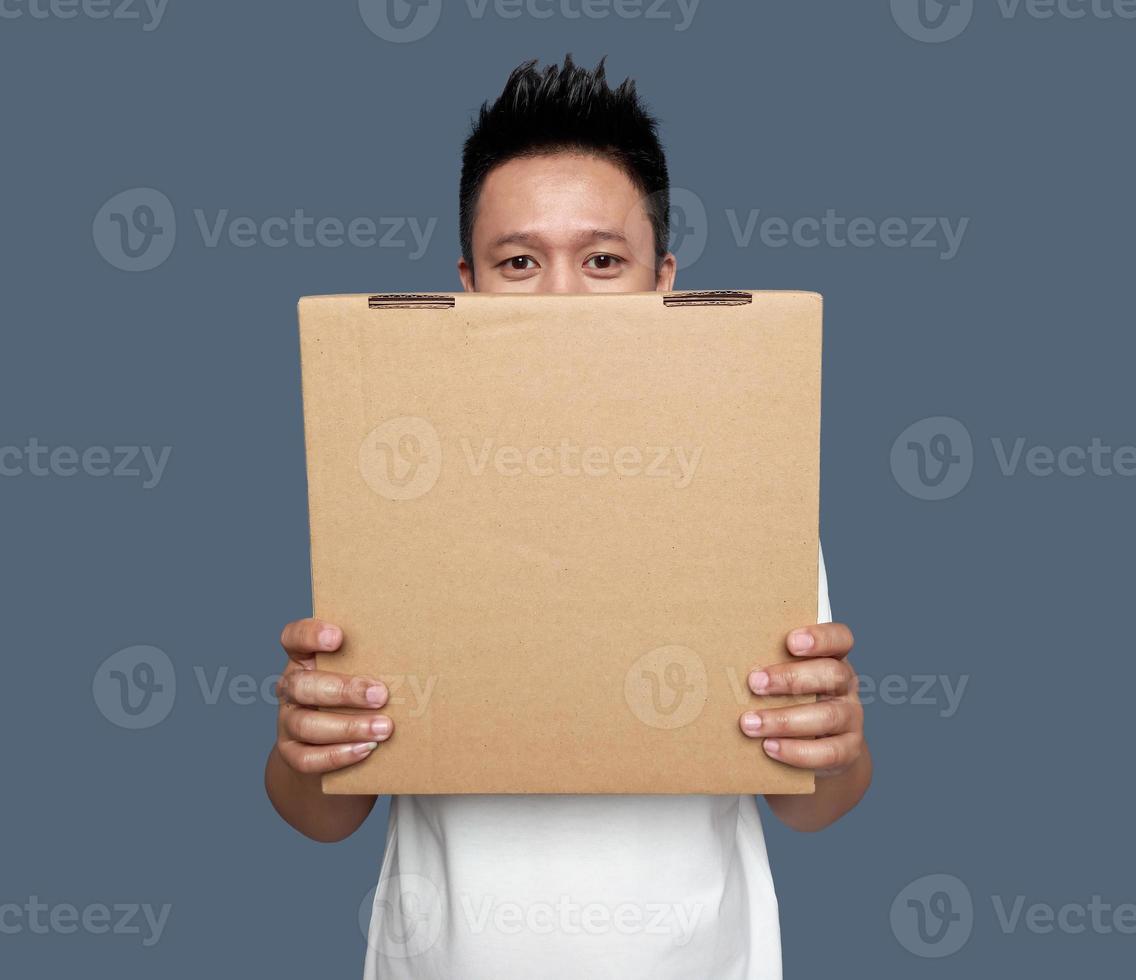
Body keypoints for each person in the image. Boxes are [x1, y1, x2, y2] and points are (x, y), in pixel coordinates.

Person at [265, 55, 870, 980]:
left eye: (600, 260)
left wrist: (836, 740)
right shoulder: (386, 488)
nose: (559, 298)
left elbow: (811, 802)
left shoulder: (744, 489)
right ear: (466, 286)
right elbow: (324, 815)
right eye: (518, 262)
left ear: (663, 282)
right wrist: (306, 745)